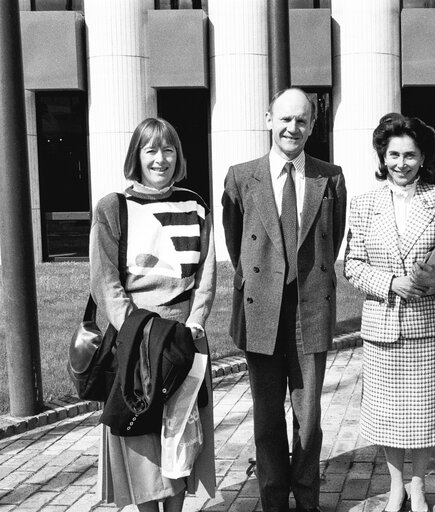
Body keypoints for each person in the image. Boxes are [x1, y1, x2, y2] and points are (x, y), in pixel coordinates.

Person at [221, 87, 346, 512]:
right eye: (285, 119)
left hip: (308, 308)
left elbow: (334, 236)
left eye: (302, 120)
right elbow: (235, 240)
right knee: (267, 414)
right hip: (262, 310)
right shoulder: (241, 176)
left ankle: (307, 494)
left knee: (308, 417)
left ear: (312, 125)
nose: (293, 128)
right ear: (268, 119)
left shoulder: (329, 176)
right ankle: (274, 497)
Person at [344, 114, 435, 512]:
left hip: (429, 324)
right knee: (386, 414)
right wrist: (388, 283)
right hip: (383, 323)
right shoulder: (364, 204)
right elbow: (352, 263)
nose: (401, 163)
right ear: (382, 157)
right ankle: (396, 485)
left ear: (423, 158)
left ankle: (418, 486)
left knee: (425, 411)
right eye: (394, 154)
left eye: (411, 155)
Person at [90, 117, 216, 512]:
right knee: (140, 442)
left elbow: (207, 274)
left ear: (177, 155)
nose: (160, 159)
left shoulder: (196, 205)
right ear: (137, 156)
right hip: (135, 341)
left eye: (168, 149)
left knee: (180, 439)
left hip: (182, 340)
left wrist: (195, 321)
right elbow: (104, 279)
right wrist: (135, 330)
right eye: (150, 150)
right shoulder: (114, 207)